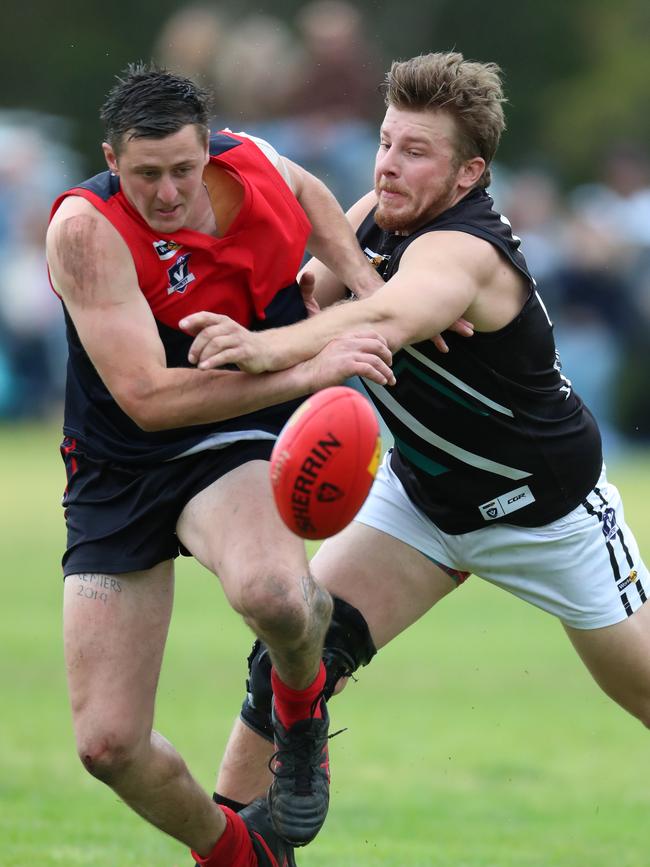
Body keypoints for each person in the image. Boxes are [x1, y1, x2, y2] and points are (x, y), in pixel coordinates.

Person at [181, 51, 650, 852]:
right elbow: (315, 292)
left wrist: (267, 351)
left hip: (547, 513)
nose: (390, 166)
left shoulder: (465, 253)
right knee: (289, 654)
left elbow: (386, 319)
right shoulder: (378, 213)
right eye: (387, 141)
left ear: (470, 172)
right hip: (422, 503)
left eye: (417, 151)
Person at [45, 63, 397, 867]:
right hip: (121, 467)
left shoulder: (256, 164)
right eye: (144, 175)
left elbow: (313, 198)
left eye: (181, 169)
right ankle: (243, 854)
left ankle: (300, 711)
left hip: (234, 434)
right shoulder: (85, 229)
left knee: (273, 594)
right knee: (107, 744)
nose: (166, 193)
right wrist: (310, 368)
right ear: (110, 157)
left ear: (209, 148)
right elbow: (148, 399)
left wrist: (368, 285)